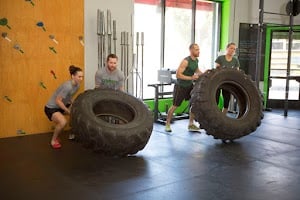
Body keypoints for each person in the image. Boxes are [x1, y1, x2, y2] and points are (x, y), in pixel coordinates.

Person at [165, 43, 203, 133]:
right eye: (196, 50)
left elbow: (197, 71)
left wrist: (206, 74)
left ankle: (191, 124)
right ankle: (167, 124)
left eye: (199, 49)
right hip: (180, 86)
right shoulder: (185, 61)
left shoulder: (196, 60)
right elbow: (178, 75)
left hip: (189, 86)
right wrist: (191, 78)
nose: (199, 51)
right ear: (191, 50)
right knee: (175, 106)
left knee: (194, 103)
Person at [44, 65, 83, 149]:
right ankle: (53, 140)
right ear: (73, 76)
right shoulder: (67, 86)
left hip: (62, 105)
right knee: (63, 122)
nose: (81, 79)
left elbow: (69, 96)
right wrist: (67, 111)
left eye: (82, 77)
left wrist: (73, 105)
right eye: (79, 76)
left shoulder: (77, 85)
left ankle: (72, 133)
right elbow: (58, 101)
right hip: (51, 107)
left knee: (76, 113)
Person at [215, 42, 240, 114]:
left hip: (228, 83)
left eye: (234, 49)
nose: (232, 50)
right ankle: (215, 115)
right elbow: (217, 69)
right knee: (215, 100)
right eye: (231, 48)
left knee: (226, 101)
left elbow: (237, 72)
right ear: (227, 48)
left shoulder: (235, 60)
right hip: (218, 82)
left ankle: (223, 117)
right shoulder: (220, 58)